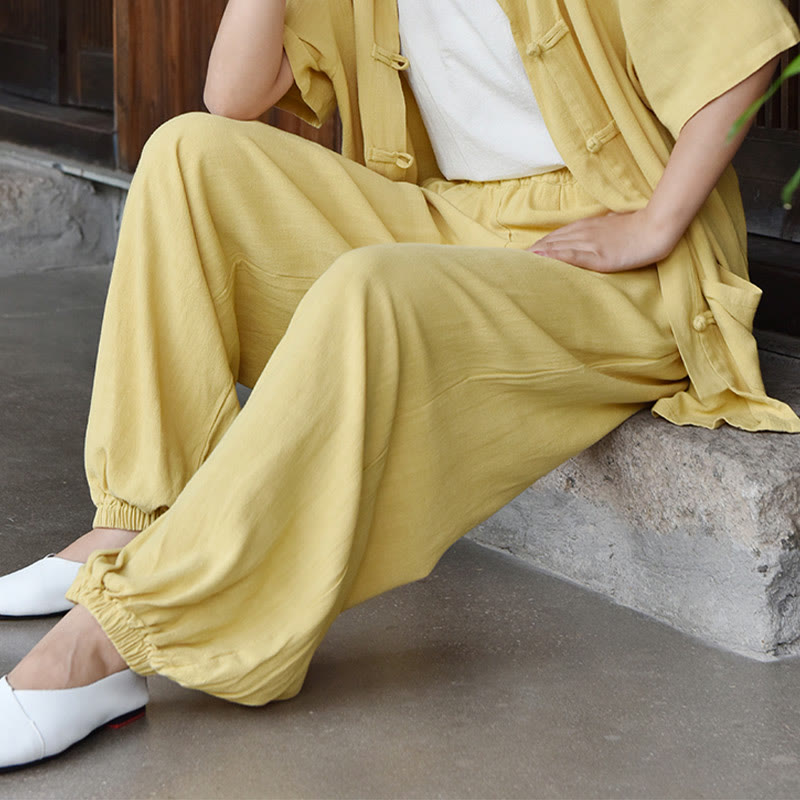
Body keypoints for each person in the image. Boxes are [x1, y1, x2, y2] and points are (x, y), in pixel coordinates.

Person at [1, 0, 799, 770]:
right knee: (188, 155)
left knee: (370, 288)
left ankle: (114, 637)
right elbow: (233, 95)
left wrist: (657, 221)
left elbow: (744, 42)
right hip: (455, 220)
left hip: (614, 260)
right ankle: (136, 523)